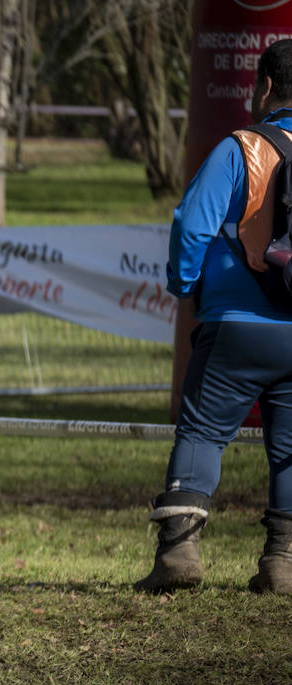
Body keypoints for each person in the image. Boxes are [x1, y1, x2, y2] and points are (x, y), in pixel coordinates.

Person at [136, 39, 292, 596]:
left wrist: (185, 287)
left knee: (202, 430)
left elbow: (192, 223)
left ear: (266, 86)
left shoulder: (242, 148)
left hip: (236, 324)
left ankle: (179, 553)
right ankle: (283, 564)